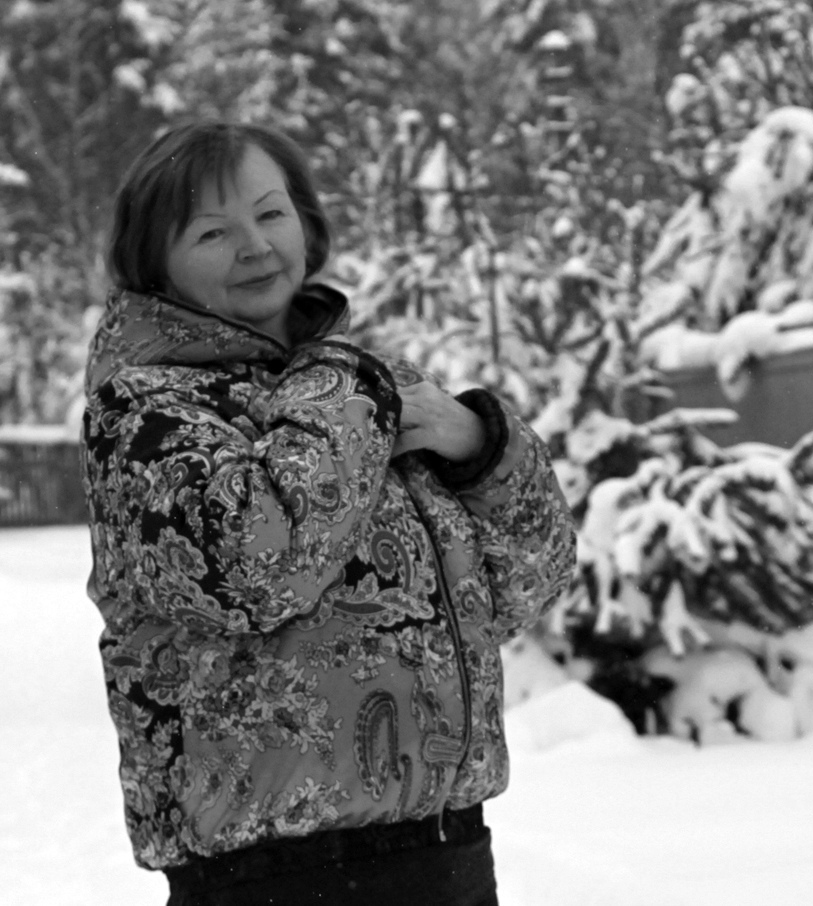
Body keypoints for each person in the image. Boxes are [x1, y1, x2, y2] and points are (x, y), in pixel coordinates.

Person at [81, 120, 576, 906]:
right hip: (271, 877)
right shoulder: (145, 418)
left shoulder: (362, 390)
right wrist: (339, 371)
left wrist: (479, 445)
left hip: (444, 849)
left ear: (306, 224)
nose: (255, 247)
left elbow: (525, 589)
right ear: (154, 261)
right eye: (213, 232)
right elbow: (255, 571)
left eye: (270, 214)